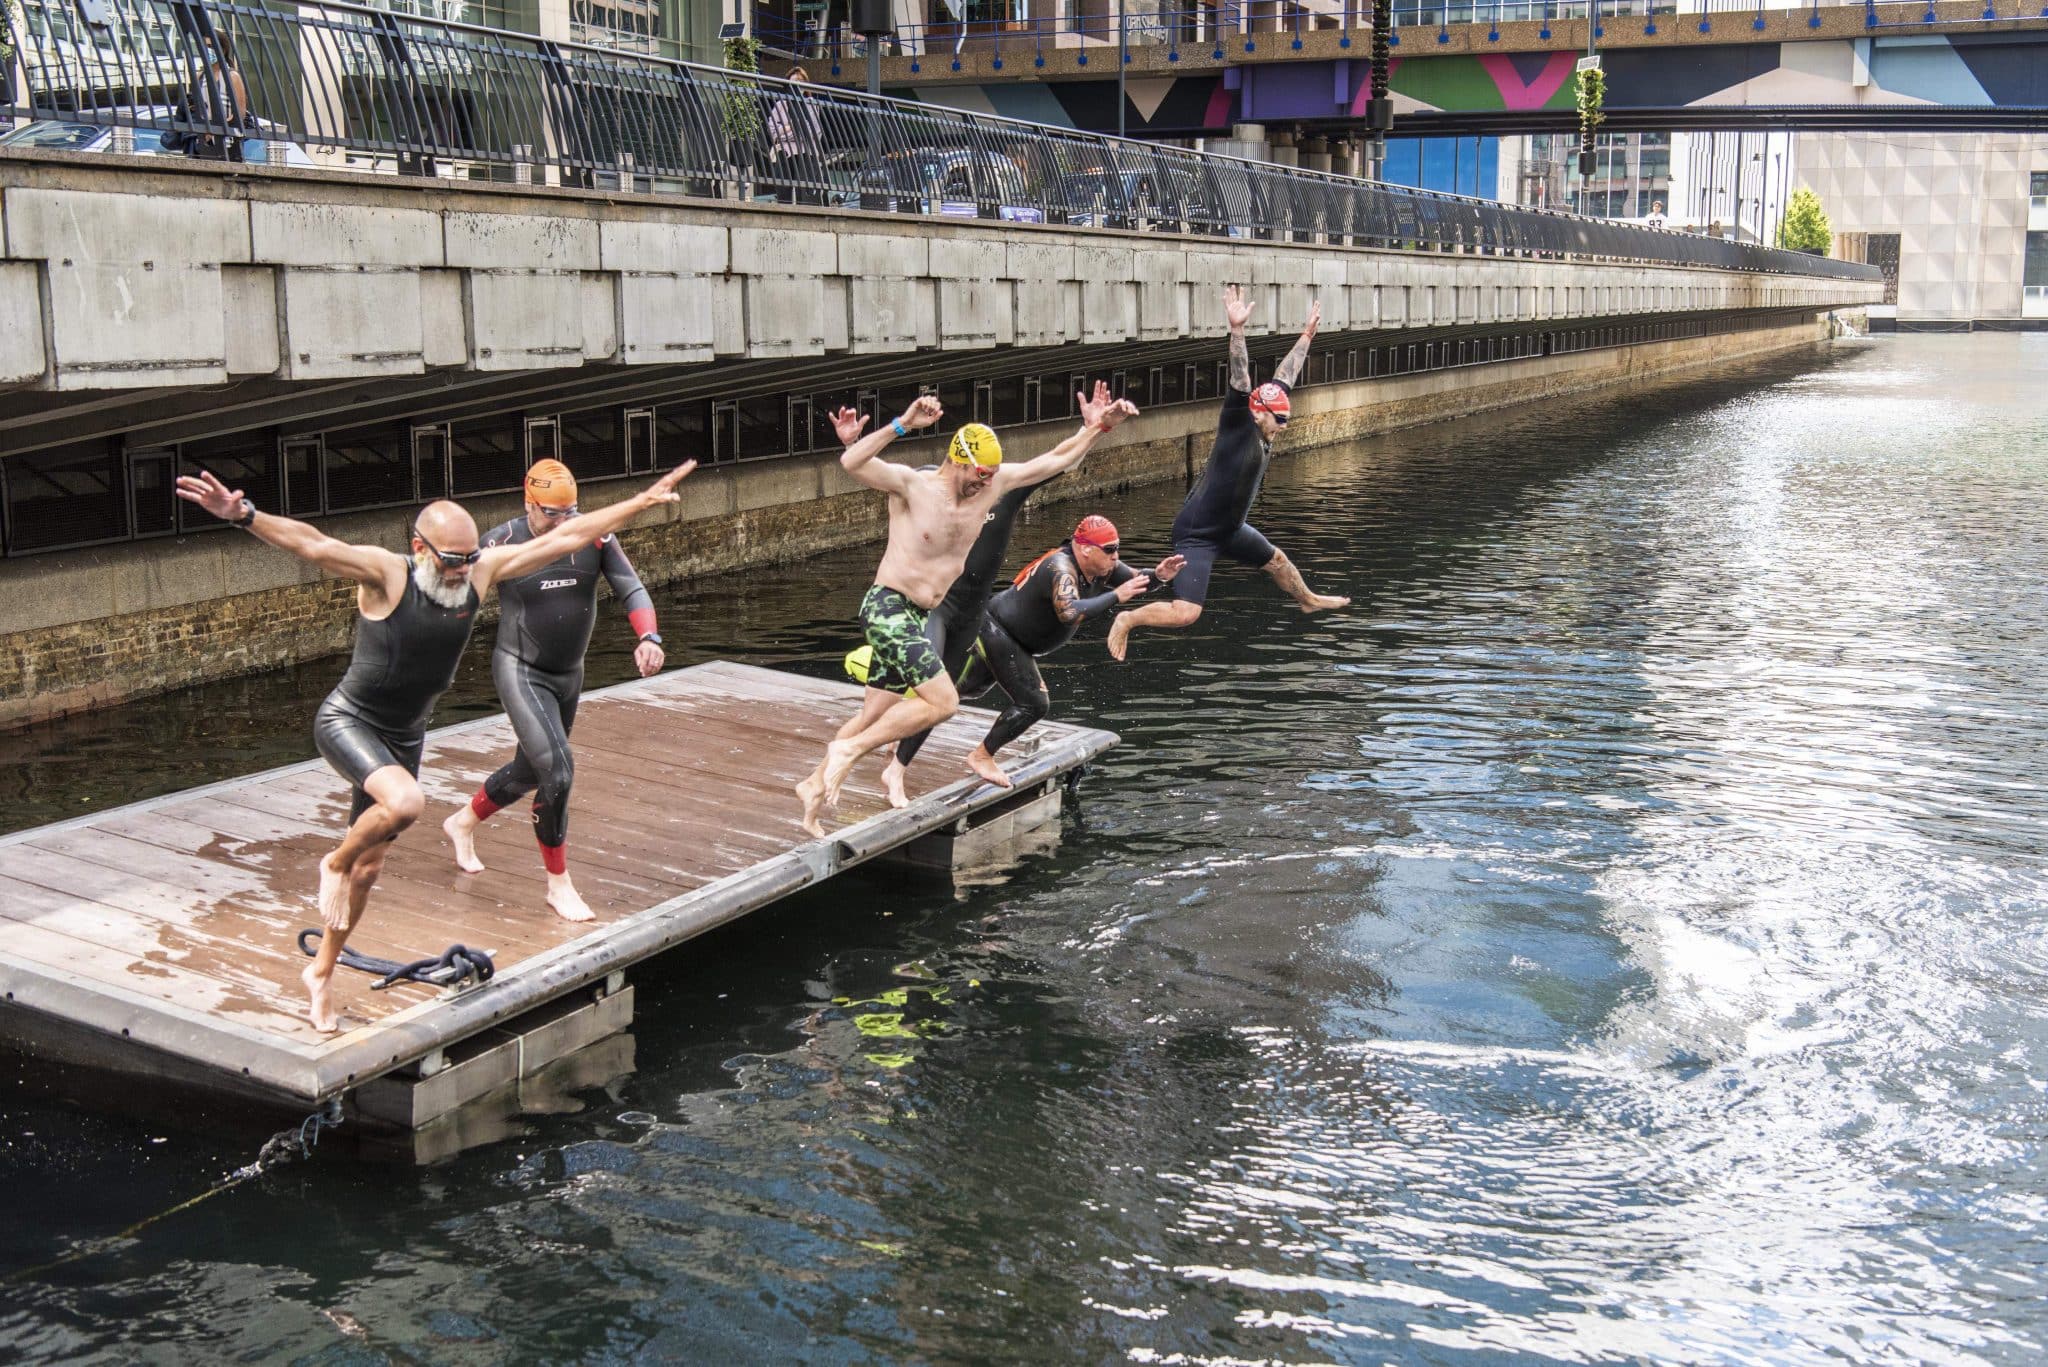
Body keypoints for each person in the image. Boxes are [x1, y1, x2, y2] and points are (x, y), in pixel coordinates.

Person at [173, 461, 696, 1034]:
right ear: (420, 547)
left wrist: (640, 502)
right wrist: (243, 515)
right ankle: (333, 859)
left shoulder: (478, 572)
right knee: (405, 805)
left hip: (406, 733)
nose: (463, 570)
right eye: (452, 559)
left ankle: (321, 973)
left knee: (370, 871)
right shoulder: (386, 573)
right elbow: (314, 545)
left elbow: (571, 534)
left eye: (471, 557)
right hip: (351, 720)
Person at [796, 382, 1139, 836]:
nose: (984, 481)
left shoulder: (991, 487)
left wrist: (1096, 428)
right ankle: (850, 752)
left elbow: (1054, 460)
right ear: (957, 460)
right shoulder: (913, 486)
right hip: (889, 607)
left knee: (873, 712)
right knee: (942, 701)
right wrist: (901, 425)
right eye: (978, 471)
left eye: (990, 474)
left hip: (929, 611)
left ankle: (812, 791)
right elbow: (851, 462)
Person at [440, 460, 666, 923]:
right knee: (558, 772)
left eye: (569, 512)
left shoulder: (593, 535)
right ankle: (558, 886)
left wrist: (648, 637)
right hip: (520, 669)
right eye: (550, 513)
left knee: (528, 772)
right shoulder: (499, 544)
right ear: (528, 503)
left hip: (569, 674)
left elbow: (631, 587)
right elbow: (454, 601)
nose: (562, 523)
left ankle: (461, 822)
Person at [1106, 286, 1348, 661]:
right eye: (1279, 419)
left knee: (1278, 561)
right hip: (1197, 533)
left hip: (1231, 529)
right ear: (1258, 412)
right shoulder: (1239, 422)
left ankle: (1308, 601)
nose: (1284, 426)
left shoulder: (1268, 413)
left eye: (1287, 418)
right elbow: (1240, 378)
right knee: (1188, 612)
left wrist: (1306, 336)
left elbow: (1285, 376)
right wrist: (1236, 331)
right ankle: (1127, 619)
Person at [890, 514, 1184, 787]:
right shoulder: (1061, 568)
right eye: (1109, 550)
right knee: (1034, 702)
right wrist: (1116, 597)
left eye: (1116, 549)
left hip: (1013, 638)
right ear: (1084, 549)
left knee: (962, 691)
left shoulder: (1103, 568)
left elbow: (1136, 581)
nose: (1116, 556)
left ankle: (900, 722)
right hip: (999, 631)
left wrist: (1159, 576)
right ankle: (981, 756)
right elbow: (1069, 612)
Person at [768, 66, 826, 206]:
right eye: (793, 82)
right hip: (785, 153)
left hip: (807, 152)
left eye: (800, 82)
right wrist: (795, 127)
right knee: (783, 191)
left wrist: (786, 129)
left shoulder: (812, 105)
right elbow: (773, 130)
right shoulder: (780, 105)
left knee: (805, 193)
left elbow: (813, 132)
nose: (797, 86)